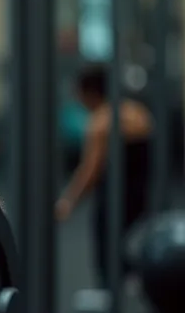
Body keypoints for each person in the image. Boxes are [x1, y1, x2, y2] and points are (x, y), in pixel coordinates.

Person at [56, 65, 152, 291]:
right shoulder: (138, 114)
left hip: (113, 197)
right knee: (135, 242)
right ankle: (133, 285)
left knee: (107, 243)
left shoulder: (100, 123)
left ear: (90, 93)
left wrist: (69, 201)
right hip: (142, 195)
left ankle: (112, 293)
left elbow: (90, 170)